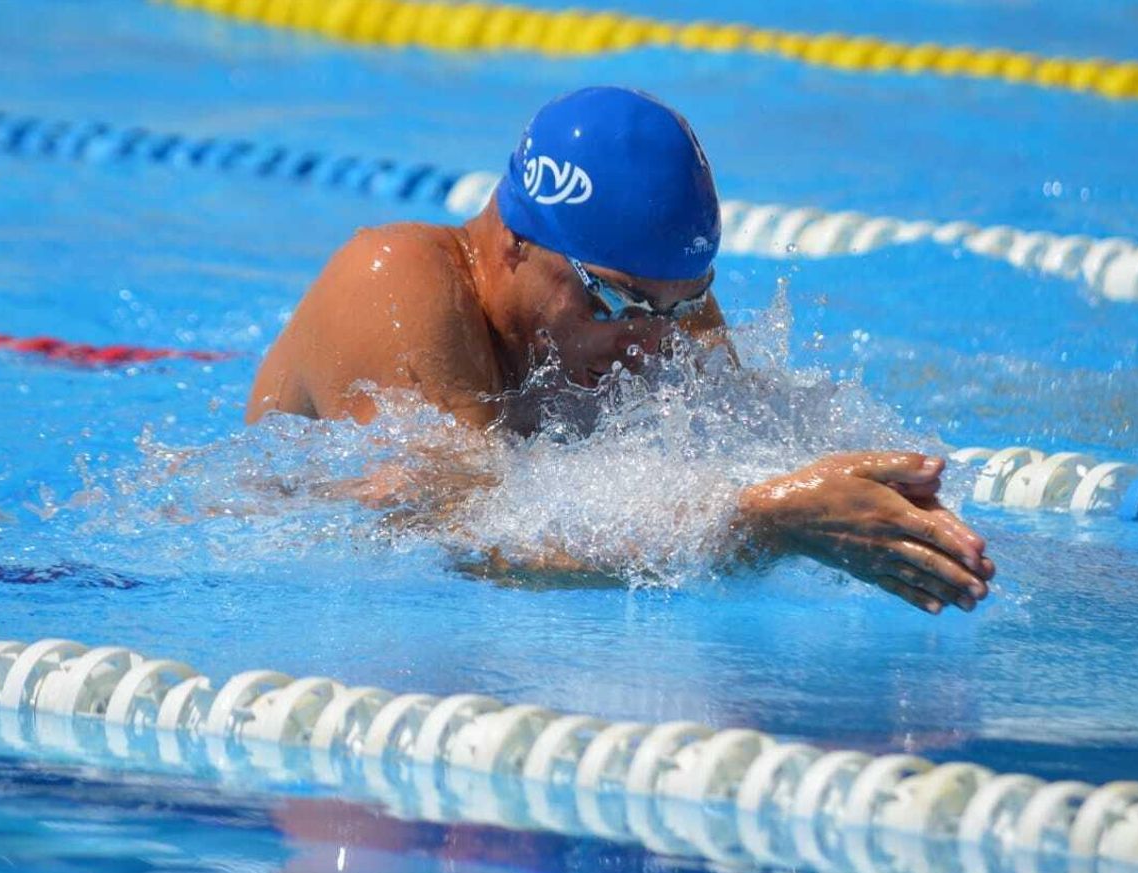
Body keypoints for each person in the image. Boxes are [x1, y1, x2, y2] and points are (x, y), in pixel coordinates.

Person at [247, 86, 994, 614]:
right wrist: (760, 523)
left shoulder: (658, 305)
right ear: (513, 242)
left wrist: (866, 497)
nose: (651, 346)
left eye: (685, 305)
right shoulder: (397, 285)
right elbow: (472, 542)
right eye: (612, 302)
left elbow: (745, 451)